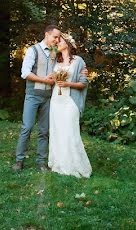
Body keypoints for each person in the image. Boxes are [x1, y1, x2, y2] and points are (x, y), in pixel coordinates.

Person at [13, 25, 88, 171]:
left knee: (44, 131)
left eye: (59, 38)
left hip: (50, 99)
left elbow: (68, 64)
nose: (57, 40)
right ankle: (19, 160)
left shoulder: (55, 52)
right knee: (27, 127)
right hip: (33, 95)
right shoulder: (33, 50)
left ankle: (41, 162)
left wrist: (82, 70)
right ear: (47, 34)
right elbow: (25, 73)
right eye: (55, 37)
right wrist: (43, 80)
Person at [48, 33, 92, 177]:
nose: (57, 43)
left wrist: (68, 84)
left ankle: (75, 165)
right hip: (56, 101)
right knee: (57, 131)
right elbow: (49, 74)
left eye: (59, 41)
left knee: (70, 132)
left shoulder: (78, 61)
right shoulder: (55, 61)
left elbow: (83, 83)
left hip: (70, 102)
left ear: (67, 43)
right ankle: (58, 163)